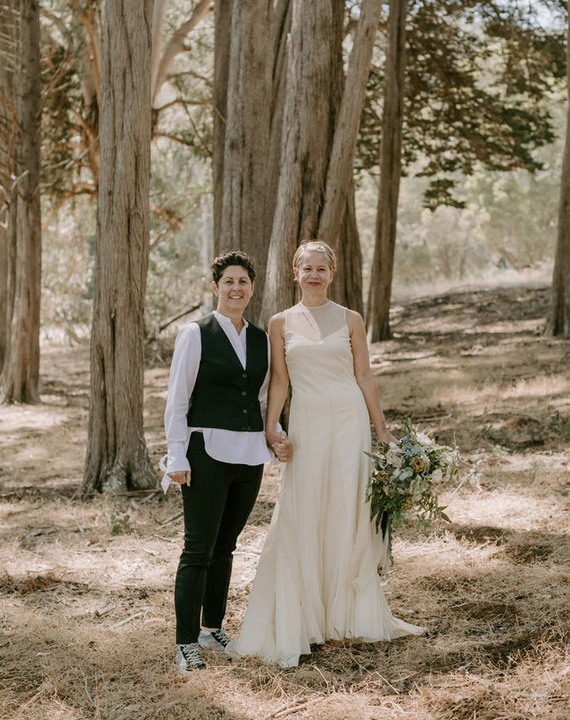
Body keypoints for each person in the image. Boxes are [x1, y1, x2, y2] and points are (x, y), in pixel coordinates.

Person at [229, 240, 423, 667]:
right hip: (308, 424)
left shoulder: (351, 318)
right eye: (307, 268)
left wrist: (383, 430)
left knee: (346, 507)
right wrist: (270, 427)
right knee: (307, 507)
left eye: (322, 268)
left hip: (349, 422)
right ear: (294, 273)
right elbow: (280, 381)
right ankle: (308, 614)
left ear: (331, 274)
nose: (314, 275)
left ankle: (349, 613)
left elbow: (365, 377)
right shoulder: (280, 323)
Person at [160, 250, 283, 674]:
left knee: (226, 547)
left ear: (252, 289)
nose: (236, 288)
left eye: (243, 282)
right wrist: (176, 454)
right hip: (204, 453)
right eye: (228, 281)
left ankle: (212, 629)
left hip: (249, 456)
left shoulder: (262, 338)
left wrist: (276, 438)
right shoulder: (195, 334)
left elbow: (264, 398)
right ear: (216, 287)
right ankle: (185, 642)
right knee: (198, 549)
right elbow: (177, 399)